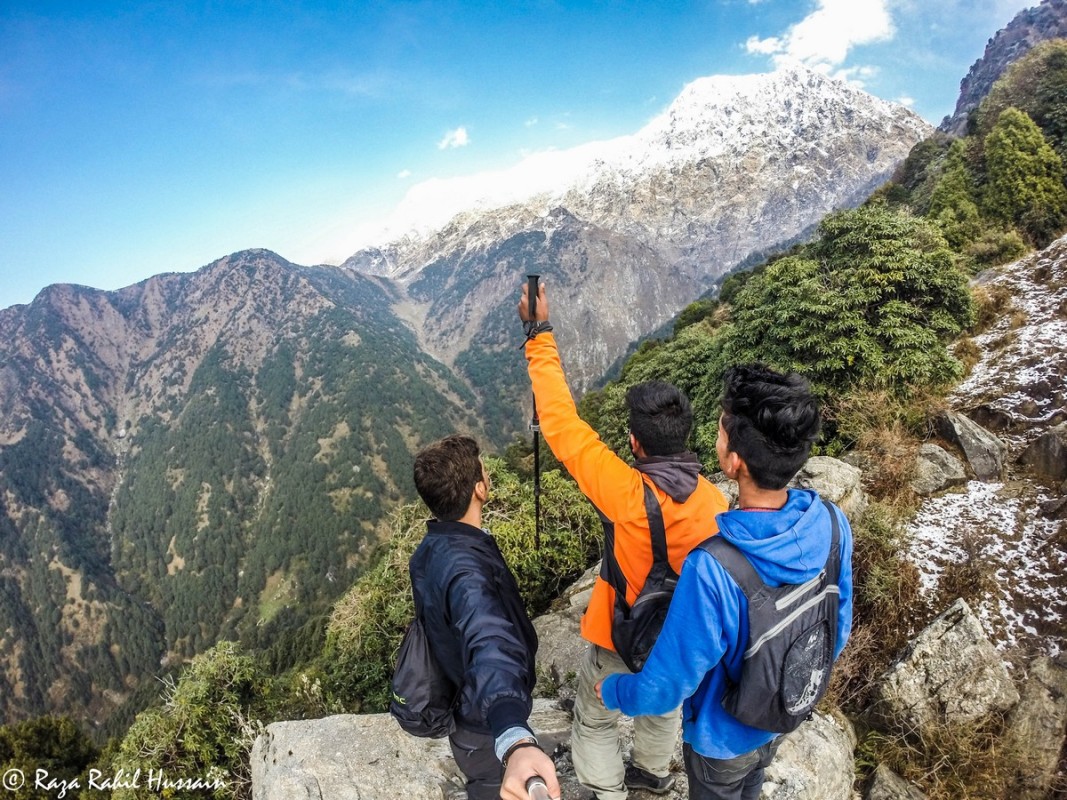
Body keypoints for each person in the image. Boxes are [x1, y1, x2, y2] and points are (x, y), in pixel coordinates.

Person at [595, 363, 854, 800]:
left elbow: (665, 687)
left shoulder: (714, 566)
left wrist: (616, 691)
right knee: (753, 779)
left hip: (723, 739)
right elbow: (838, 626)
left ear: (733, 462)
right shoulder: (831, 523)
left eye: (720, 429)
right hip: (786, 709)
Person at [517, 282, 729, 800]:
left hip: (621, 634)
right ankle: (653, 775)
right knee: (665, 704)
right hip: (679, 638)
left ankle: (606, 791)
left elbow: (562, 424)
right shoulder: (718, 505)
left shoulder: (624, 492)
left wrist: (537, 331)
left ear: (634, 442)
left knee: (596, 717)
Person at [408, 434, 561, 800]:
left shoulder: (431, 550)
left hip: (462, 701)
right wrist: (513, 736)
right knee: (493, 787)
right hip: (482, 723)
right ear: (479, 488)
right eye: (484, 471)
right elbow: (488, 639)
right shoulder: (468, 572)